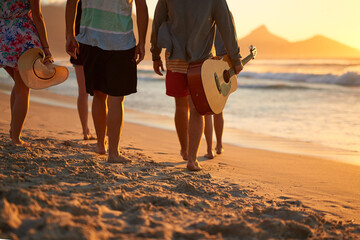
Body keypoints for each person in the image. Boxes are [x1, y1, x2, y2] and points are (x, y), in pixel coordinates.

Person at [151, 0, 243, 171]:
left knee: (180, 106)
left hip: (174, 57)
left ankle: (185, 151)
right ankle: (192, 159)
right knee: (196, 109)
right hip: (202, 62)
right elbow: (226, 27)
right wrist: (236, 59)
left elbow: (158, 21)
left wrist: (155, 54)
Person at [66, 0, 148, 163]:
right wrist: (142, 42)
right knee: (116, 99)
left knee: (98, 94)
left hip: (90, 40)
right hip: (120, 42)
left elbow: (71, 2)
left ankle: (100, 145)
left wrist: (69, 34)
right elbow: (141, 5)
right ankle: (113, 152)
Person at [0, 0, 53, 146]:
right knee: (23, 89)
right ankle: (16, 138)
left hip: (3, 34)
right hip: (22, 36)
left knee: (19, 84)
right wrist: (46, 48)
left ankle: (13, 129)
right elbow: (38, 16)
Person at [69, 0, 94, 140]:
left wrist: (70, 37)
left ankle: (85, 131)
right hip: (97, 44)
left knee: (83, 92)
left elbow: (71, 18)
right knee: (101, 92)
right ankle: (102, 130)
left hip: (79, 42)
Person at [203, 29, 229, 159]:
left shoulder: (200, 9)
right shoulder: (224, 12)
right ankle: (218, 145)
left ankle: (209, 149)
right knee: (218, 107)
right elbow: (230, 37)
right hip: (221, 61)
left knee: (207, 109)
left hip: (203, 60)